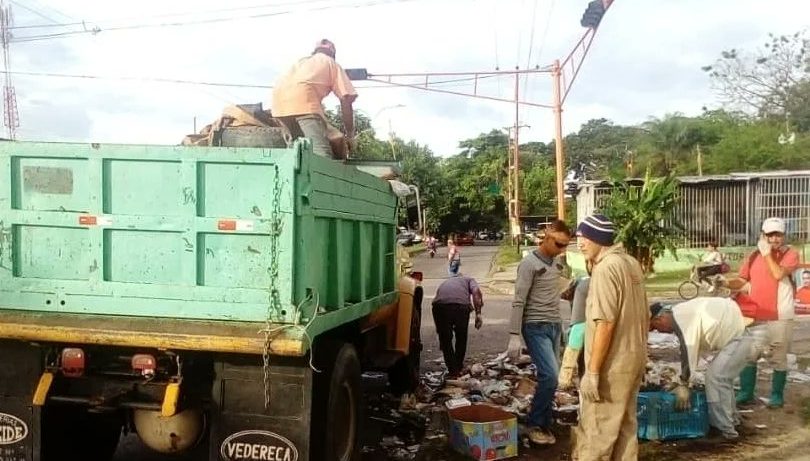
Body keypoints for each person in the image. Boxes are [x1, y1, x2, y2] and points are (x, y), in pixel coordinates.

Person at [572, 214, 648, 461]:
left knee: (597, 433)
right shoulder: (631, 263)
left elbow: (605, 322)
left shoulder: (605, 268)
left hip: (611, 365)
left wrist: (593, 372)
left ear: (598, 238)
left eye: (584, 237)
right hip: (633, 359)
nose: (580, 243)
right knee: (626, 429)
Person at [649, 299, 767, 440]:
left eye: (656, 327)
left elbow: (688, 350)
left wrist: (684, 384)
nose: (660, 331)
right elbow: (692, 351)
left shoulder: (681, 319)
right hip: (740, 335)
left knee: (715, 378)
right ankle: (732, 422)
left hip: (737, 339)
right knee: (722, 379)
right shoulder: (682, 312)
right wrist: (683, 379)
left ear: (660, 318)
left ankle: (724, 430)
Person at [506, 219, 572, 445]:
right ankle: (534, 424)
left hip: (554, 325)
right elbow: (519, 300)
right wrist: (514, 334)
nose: (561, 249)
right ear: (547, 235)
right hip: (534, 326)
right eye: (559, 244)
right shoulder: (529, 264)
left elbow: (556, 295)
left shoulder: (557, 262)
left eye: (565, 245)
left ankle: (544, 421)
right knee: (550, 375)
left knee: (553, 380)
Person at [724, 217, 799, 408]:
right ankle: (746, 392)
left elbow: (777, 274)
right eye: (770, 235)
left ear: (784, 235)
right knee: (749, 355)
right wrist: (723, 282)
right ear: (763, 235)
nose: (774, 239)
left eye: (778, 235)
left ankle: (776, 395)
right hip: (755, 315)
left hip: (780, 315)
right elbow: (741, 281)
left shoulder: (790, 254)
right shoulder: (753, 256)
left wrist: (766, 254)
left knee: (778, 356)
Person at [272, 39, 358, 159]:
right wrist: (350, 134)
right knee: (321, 155)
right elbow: (346, 100)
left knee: (295, 154)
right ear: (333, 53)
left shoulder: (301, 62)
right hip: (304, 103)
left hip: (278, 106)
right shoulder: (331, 63)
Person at [431, 262, 484, 377]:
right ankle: (458, 366)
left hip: (439, 306)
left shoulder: (447, 281)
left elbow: (441, 298)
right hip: (460, 307)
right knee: (461, 337)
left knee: (446, 340)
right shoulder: (470, 280)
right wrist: (478, 314)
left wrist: (440, 331)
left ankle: (452, 370)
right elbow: (476, 293)